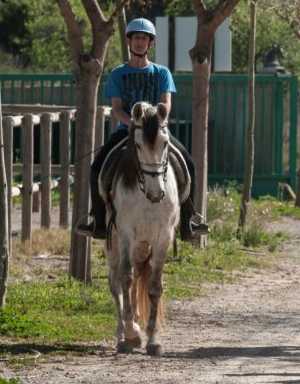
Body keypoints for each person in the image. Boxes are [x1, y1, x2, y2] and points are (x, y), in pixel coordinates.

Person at [75, 18, 209, 241]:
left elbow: (166, 103)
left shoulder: (162, 73)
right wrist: (134, 124)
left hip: (157, 132)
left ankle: (189, 220)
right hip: (127, 131)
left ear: (150, 43)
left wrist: (154, 122)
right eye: (136, 38)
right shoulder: (118, 74)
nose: (139, 42)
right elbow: (117, 109)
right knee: (97, 167)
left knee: (190, 165)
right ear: (128, 41)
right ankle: (97, 219)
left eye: (144, 38)